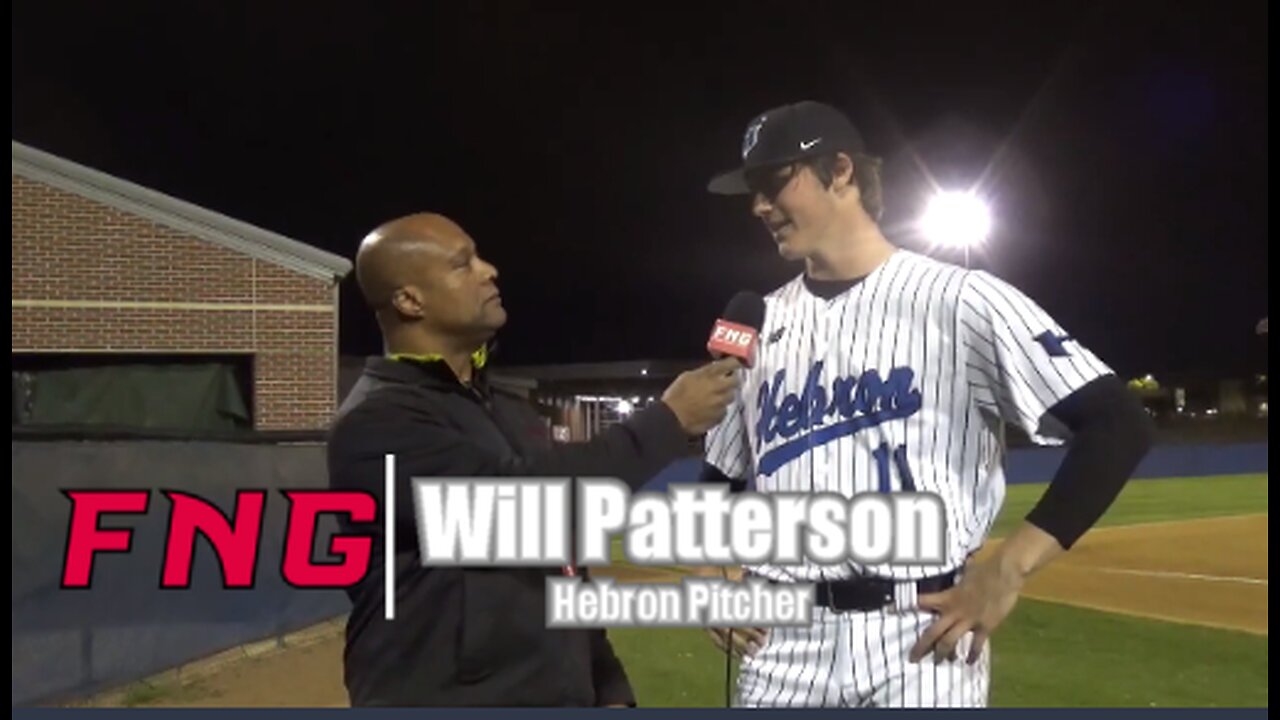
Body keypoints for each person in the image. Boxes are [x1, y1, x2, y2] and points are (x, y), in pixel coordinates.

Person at [699, 101, 1155, 708]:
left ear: (841, 171)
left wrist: (1006, 570)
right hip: (781, 645)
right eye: (751, 192)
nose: (759, 206)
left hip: (921, 638)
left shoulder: (961, 300)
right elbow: (720, 474)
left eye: (774, 182)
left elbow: (1117, 423)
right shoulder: (759, 322)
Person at [327, 212, 740, 707]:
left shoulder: (507, 410)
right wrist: (668, 420)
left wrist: (608, 687)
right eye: (463, 265)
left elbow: (561, 564)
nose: (489, 270)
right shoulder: (376, 423)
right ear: (409, 300)